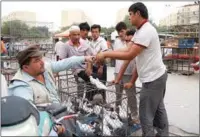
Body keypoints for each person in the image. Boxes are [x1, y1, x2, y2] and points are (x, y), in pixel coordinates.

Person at [96, 2, 168, 136]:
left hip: (154, 79)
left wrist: (106, 54)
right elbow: (129, 50)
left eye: (130, 14)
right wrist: (109, 52)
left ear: (138, 14)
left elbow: (130, 54)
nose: (129, 18)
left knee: (145, 115)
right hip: (157, 77)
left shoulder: (146, 30)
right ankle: (163, 134)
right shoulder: (140, 31)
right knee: (158, 109)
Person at [8, 45, 93, 104]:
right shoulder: (21, 86)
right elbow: (28, 112)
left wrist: (85, 58)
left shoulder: (45, 68)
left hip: (57, 113)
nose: (42, 62)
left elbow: (65, 62)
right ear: (26, 67)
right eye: (37, 60)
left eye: (41, 58)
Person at [56, 25, 94, 100]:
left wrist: (89, 67)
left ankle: (87, 101)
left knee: (92, 83)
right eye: (74, 35)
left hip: (86, 67)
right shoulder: (66, 46)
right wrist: (56, 71)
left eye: (78, 34)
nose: (77, 37)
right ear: (69, 36)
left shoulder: (84, 43)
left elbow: (90, 56)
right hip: (77, 70)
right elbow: (61, 59)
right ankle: (80, 101)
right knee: (81, 83)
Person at [112, 23, 139, 127]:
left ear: (126, 30)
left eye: (122, 31)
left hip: (129, 73)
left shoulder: (133, 42)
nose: (121, 34)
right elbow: (116, 57)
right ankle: (116, 113)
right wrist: (116, 75)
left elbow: (128, 59)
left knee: (131, 96)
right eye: (119, 32)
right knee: (117, 95)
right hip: (117, 72)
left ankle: (134, 116)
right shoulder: (117, 42)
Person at [90, 24, 108, 102]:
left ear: (99, 32)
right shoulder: (90, 42)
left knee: (101, 86)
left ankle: (103, 103)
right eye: (93, 32)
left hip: (100, 66)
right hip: (93, 66)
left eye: (96, 32)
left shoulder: (102, 41)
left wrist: (101, 66)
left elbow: (105, 54)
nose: (94, 34)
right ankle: (93, 104)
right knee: (93, 86)